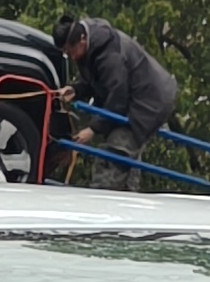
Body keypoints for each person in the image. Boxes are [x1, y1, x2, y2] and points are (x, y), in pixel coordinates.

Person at [51, 16, 179, 177]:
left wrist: (92, 129)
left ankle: (112, 190)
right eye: (66, 54)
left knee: (112, 159)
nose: (72, 57)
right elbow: (97, 82)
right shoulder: (90, 47)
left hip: (148, 101)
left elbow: (118, 97)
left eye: (71, 51)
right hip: (130, 98)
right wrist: (76, 90)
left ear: (82, 40)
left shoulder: (110, 55)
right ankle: (128, 189)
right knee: (124, 162)